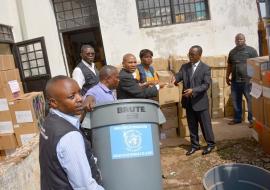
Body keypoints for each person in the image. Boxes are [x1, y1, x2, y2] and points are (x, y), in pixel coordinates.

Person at [39, 75, 104, 190]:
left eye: (79, 92)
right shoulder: (70, 136)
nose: (80, 99)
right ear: (54, 103)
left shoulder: (49, 121)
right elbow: (84, 186)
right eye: (71, 96)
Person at [174, 45, 215, 156]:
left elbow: (206, 85)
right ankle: (195, 145)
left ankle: (210, 144)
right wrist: (175, 78)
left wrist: (194, 90)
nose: (190, 56)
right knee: (192, 125)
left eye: (193, 54)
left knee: (205, 125)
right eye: (189, 54)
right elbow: (179, 75)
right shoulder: (185, 66)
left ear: (199, 55)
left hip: (200, 102)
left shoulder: (205, 68)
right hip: (188, 102)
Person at [226, 33, 258, 127]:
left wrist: (255, 78)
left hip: (248, 81)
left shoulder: (251, 51)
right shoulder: (232, 52)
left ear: (244, 40)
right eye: (237, 39)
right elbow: (229, 65)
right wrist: (227, 76)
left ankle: (252, 120)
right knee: (236, 100)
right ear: (235, 41)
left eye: (241, 39)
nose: (239, 41)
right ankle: (237, 118)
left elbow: (256, 64)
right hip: (235, 81)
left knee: (250, 100)